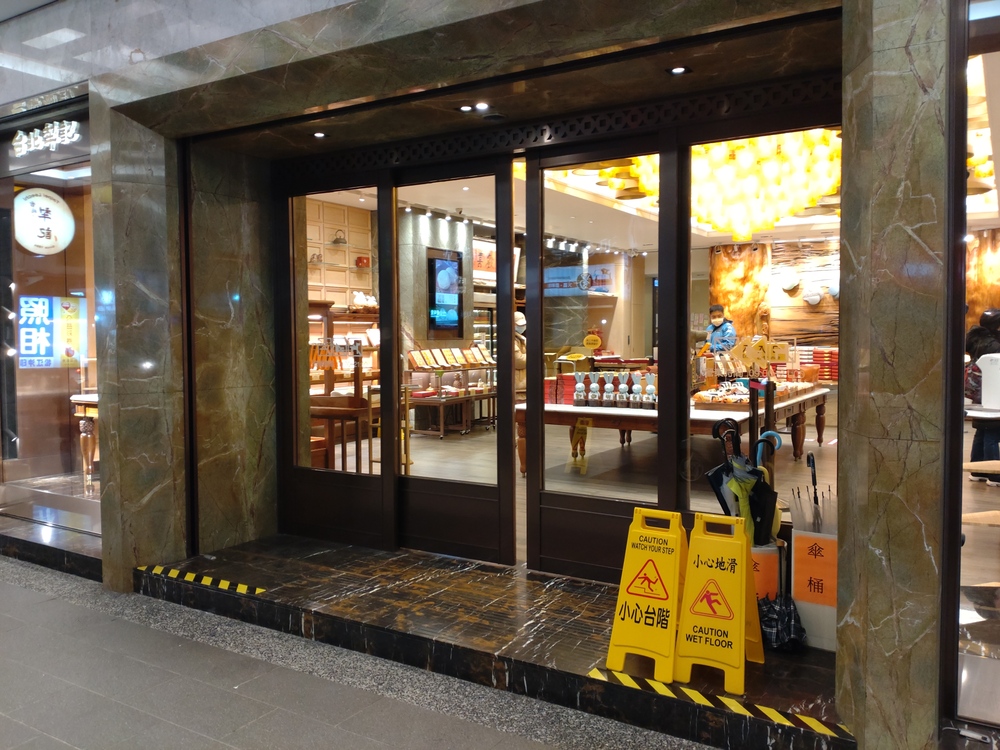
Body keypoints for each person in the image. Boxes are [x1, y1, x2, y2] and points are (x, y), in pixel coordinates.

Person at [966, 325, 1000, 485]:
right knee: (992, 434)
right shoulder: (994, 346)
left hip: (979, 396)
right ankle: (994, 476)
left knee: (981, 432)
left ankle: (977, 471)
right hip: (993, 395)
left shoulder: (977, 342)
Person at [513, 310, 527, 400]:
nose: (522, 327)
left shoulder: (521, 339)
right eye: (519, 325)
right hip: (517, 387)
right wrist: (534, 355)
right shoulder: (511, 340)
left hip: (523, 386)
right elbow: (519, 361)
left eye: (524, 325)